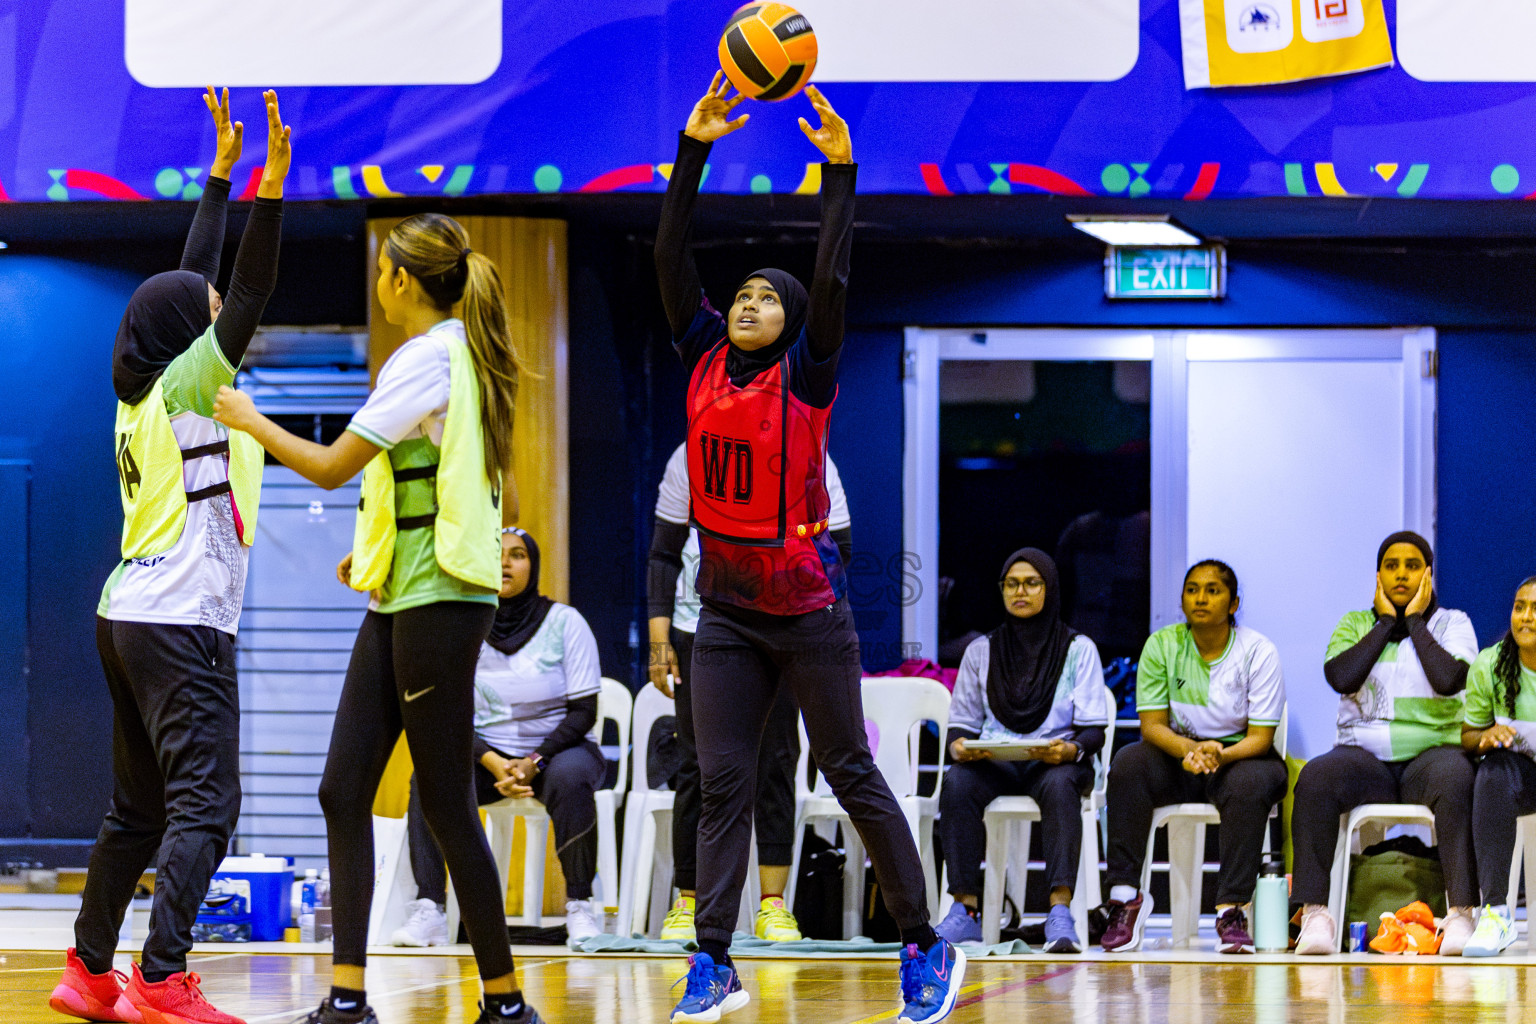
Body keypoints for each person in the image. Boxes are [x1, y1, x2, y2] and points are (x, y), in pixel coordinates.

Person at [654, 74, 962, 1024]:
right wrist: (694, 148)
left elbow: (829, 277)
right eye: (738, 293)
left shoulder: (809, 373)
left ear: (790, 321)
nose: (747, 301)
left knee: (849, 771)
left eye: (763, 296)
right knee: (721, 784)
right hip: (728, 615)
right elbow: (670, 251)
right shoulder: (703, 357)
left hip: (810, 610)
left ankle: (922, 942)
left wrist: (840, 171)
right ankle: (714, 962)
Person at [211, 213, 540, 1024]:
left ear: (403, 279)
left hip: (439, 603)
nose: (380, 281)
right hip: (406, 594)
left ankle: (504, 1002)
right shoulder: (448, 354)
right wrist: (377, 552)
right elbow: (427, 484)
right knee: (339, 789)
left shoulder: (428, 356)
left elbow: (330, 468)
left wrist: (250, 418)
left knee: (445, 803)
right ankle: (349, 995)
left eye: (387, 270)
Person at [49, 88, 289, 1024]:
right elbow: (246, 290)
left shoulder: (143, 385)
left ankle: (88, 968)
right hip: (181, 617)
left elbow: (189, 283)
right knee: (207, 808)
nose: (223, 305)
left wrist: (219, 173)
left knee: (137, 811)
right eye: (211, 311)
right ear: (194, 335)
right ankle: (159, 978)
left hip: (127, 615)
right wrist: (270, 180)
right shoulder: (193, 383)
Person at [646, 442, 853, 942]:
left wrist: (814, 623)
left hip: (786, 623)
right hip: (703, 624)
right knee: (699, 761)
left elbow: (838, 551)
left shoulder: (814, 455)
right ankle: (688, 901)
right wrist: (658, 641)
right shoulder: (690, 454)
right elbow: (663, 553)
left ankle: (773, 905)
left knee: (778, 757)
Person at [393, 528, 609, 947]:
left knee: (572, 778)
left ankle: (580, 906)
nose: (506, 563)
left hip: (556, 751)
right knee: (428, 778)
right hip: (482, 755)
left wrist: (533, 760)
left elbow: (584, 712)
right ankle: (429, 909)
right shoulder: (462, 624)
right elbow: (444, 712)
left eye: (517, 555)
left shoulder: (566, 622)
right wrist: (493, 761)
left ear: (534, 565)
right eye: (498, 554)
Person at [1291, 531, 1479, 956]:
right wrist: (1384, 624)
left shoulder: (1453, 623)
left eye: (1412, 565)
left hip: (1432, 755)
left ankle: (1461, 914)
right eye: (1391, 565)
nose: (1401, 574)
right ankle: (1316, 914)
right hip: (1364, 759)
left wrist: (1414, 622)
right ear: (1377, 576)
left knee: (1458, 777)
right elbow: (1342, 677)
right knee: (1317, 777)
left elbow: (1449, 680)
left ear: (1428, 575)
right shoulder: (1355, 624)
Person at [1098, 560, 1287, 954]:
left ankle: (1231, 909)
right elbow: (1151, 725)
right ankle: (1126, 897)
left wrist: (1219, 753)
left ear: (1234, 603)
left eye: (1213, 590)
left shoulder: (1258, 650)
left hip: (1239, 755)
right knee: (1129, 764)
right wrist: (1189, 750)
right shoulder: (1162, 645)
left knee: (1252, 782)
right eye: (1192, 590)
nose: (1201, 598)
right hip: (1179, 756)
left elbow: (1261, 736)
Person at [934, 549, 1109, 954]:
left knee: (1062, 785)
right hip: (998, 760)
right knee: (957, 781)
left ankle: (1059, 913)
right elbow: (961, 721)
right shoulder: (982, 651)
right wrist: (959, 747)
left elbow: (1094, 730)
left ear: (1050, 588)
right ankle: (966, 910)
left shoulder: (1078, 649)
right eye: (1011, 584)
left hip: (1055, 760)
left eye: (1032, 583)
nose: (1021, 592)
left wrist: (1069, 750)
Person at [1459, 575, 1536, 957]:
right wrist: (1487, 735)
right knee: (1491, 774)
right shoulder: (1490, 664)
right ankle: (1496, 913)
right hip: (1522, 774)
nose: (1527, 617)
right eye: (1520, 607)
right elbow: (1468, 736)